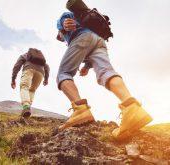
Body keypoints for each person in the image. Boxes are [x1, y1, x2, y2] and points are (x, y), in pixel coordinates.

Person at [56, 11, 153, 140]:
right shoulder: (88, 27)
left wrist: (62, 24)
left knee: (64, 73)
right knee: (106, 72)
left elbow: (65, 18)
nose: (61, 38)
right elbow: (89, 48)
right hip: (99, 41)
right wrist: (86, 67)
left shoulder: (67, 27)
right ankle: (131, 108)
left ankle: (80, 110)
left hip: (82, 38)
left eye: (60, 37)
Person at [11, 48, 50, 118]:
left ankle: (26, 107)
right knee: (32, 90)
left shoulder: (25, 55)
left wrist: (13, 79)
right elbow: (47, 67)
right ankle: (27, 110)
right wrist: (46, 79)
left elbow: (17, 66)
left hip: (29, 69)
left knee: (24, 87)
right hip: (40, 73)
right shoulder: (41, 60)